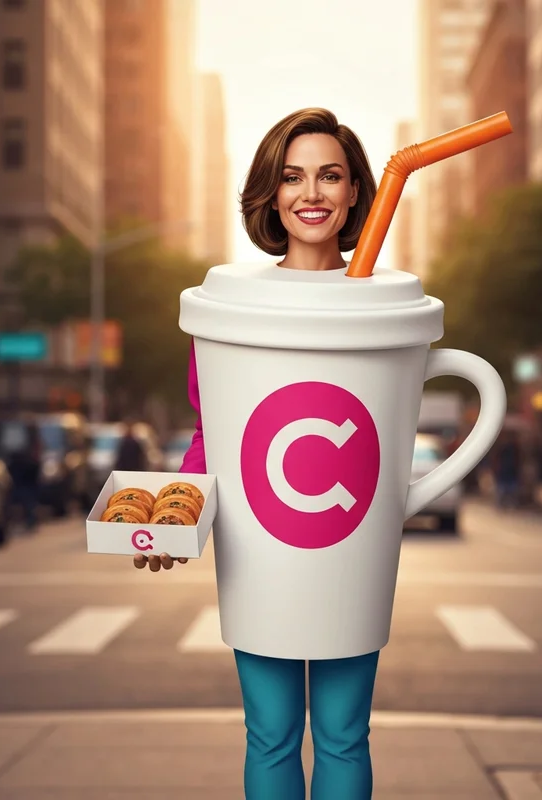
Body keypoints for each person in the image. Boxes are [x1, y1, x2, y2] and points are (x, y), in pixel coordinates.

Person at [134, 108, 378, 800]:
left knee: (343, 732)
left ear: (356, 190)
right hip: (259, 545)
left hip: (349, 546)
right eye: (292, 176)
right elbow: (213, 427)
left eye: (330, 175)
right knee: (269, 731)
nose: (312, 193)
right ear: (271, 193)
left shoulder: (382, 301)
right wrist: (178, 516)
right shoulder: (233, 304)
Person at [493, 430, 520, 509]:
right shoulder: (504, 448)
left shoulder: (513, 448)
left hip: (509, 471)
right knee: (504, 489)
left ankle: (506, 503)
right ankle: (503, 503)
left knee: (509, 489)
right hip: (505, 471)